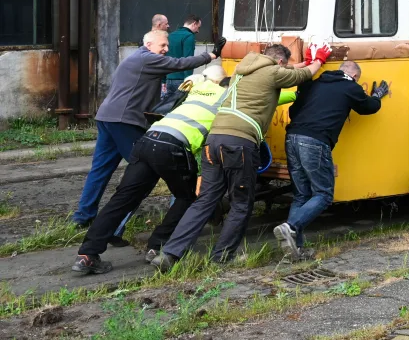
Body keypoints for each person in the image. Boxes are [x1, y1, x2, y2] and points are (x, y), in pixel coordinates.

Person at [151, 43, 330, 270]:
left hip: (213, 141)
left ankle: (169, 254)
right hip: (239, 144)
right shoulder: (272, 73)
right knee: (241, 203)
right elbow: (303, 75)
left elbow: (286, 70)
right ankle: (222, 257)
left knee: (205, 200)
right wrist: (319, 60)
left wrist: (300, 63)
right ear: (280, 62)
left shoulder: (241, 69)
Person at [72, 65, 228, 274]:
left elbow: (194, 81)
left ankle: (87, 255)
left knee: (123, 198)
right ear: (222, 82)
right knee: (187, 197)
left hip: (147, 140)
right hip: (173, 147)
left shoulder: (195, 86)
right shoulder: (225, 96)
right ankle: (158, 245)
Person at [72, 30, 220, 229]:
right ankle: (115, 226)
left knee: (100, 169)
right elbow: (179, 64)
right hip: (125, 121)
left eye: (167, 46)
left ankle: (83, 215)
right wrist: (210, 56)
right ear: (149, 44)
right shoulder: (147, 59)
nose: (166, 49)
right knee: (143, 172)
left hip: (108, 117)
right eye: (162, 45)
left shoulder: (136, 59)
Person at [273, 59, 389, 260]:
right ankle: (290, 226)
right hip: (315, 141)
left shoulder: (313, 83)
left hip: (292, 138)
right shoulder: (350, 86)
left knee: (301, 195)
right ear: (354, 76)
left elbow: (293, 111)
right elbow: (368, 107)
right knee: (324, 194)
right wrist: (377, 96)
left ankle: (294, 250)